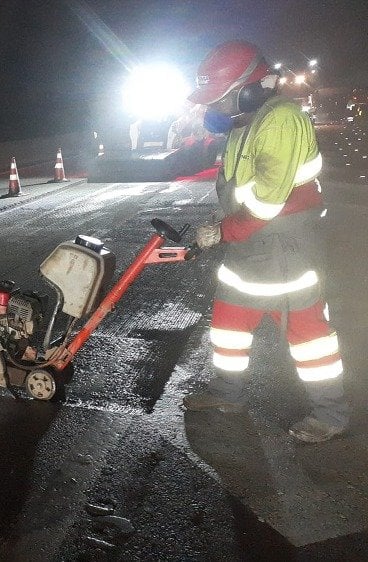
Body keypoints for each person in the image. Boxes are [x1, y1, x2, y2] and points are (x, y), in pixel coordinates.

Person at [181, 40, 349, 443]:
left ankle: (330, 414)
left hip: (285, 246)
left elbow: (268, 201)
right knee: (229, 326)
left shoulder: (281, 119)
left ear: (251, 87)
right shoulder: (247, 123)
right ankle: (226, 395)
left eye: (220, 98)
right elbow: (242, 189)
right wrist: (224, 221)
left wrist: (223, 231)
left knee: (308, 336)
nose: (214, 109)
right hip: (248, 245)